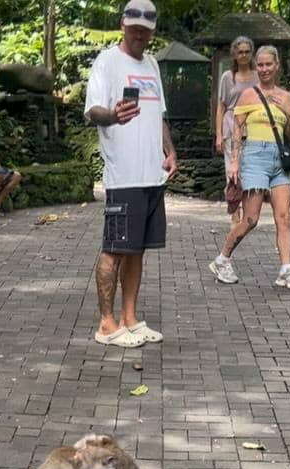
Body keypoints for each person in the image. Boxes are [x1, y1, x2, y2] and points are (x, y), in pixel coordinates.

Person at [84, 0, 177, 347]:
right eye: (134, 25)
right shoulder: (107, 61)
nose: (139, 32)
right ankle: (106, 324)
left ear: (152, 30)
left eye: (146, 27)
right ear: (123, 24)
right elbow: (92, 110)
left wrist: (169, 150)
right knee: (114, 249)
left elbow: (159, 115)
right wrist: (113, 114)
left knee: (137, 250)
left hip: (151, 175)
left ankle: (130, 318)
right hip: (123, 176)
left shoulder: (151, 63)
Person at [208, 45, 290, 290]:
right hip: (254, 156)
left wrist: (289, 114)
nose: (263, 69)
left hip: (278, 158)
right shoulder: (248, 95)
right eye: (259, 65)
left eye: (268, 64)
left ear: (277, 66)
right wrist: (233, 162)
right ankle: (222, 259)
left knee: (283, 217)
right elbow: (237, 130)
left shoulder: (285, 96)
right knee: (250, 218)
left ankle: (286, 269)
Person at [215, 36, 258, 221]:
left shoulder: (257, 76)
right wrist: (218, 134)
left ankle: (249, 210)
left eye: (247, 51)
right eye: (240, 51)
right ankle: (234, 212)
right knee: (231, 169)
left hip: (252, 126)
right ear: (234, 54)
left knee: (248, 169)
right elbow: (221, 106)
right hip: (231, 124)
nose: (244, 55)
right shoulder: (227, 77)